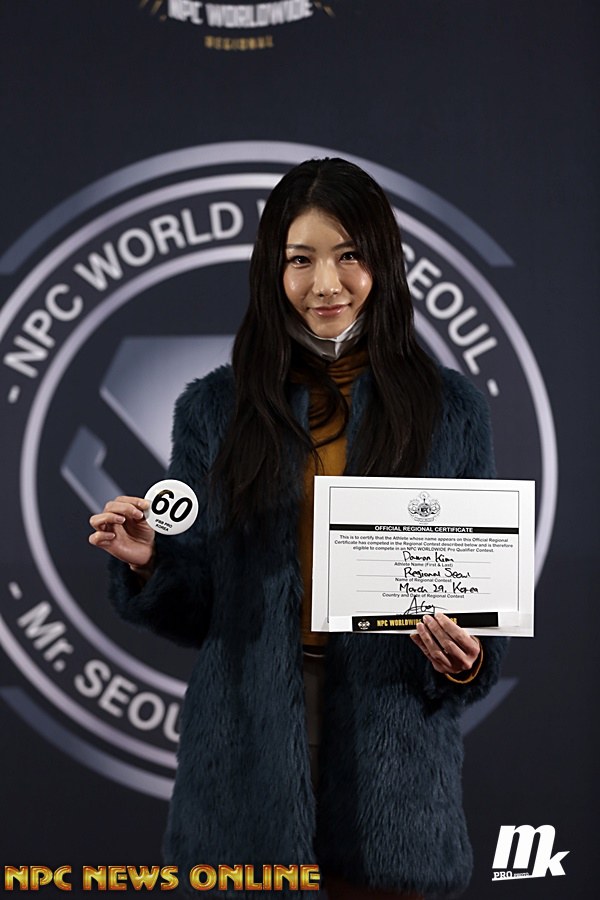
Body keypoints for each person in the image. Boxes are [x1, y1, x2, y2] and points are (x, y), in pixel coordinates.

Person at [89, 158, 508, 899]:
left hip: (392, 761)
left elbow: (475, 607)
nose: (326, 284)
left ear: (383, 263)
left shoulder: (451, 410)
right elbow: (197, 608)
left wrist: (464, 659)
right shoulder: (216, 410)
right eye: (300, 259)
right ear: (270, 272)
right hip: (246, 749)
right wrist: (151, 562)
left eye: (349, 255)